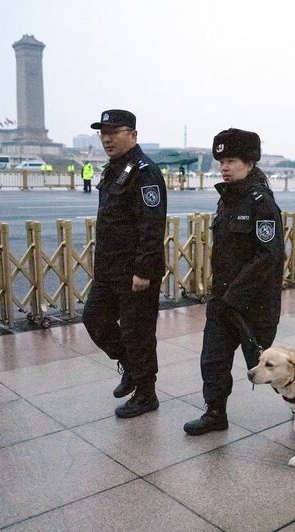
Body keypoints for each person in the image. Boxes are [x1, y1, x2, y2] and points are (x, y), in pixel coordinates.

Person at [184, 128, 284, 435]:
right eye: (222, 161)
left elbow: (269, 257)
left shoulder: (261, 202)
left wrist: (235, 295)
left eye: (232, 161)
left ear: (250, 163)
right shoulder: (226, 200)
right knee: (212, 361)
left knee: (269, 367)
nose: (225, 167)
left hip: (253, 304)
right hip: (222, 301)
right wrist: (222, 296)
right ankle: (215, 413)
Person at [82, 109, 167, 418]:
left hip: (135, 273)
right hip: (108, 269)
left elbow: (152, 225)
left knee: (137, 333)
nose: (107, 138)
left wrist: (144, 271)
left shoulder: (144, 171)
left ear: (133, 135)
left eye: (114, 131)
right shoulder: (113, 170)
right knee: (94, 319)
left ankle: (146, 394)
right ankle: (130, 366)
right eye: (103, 132)